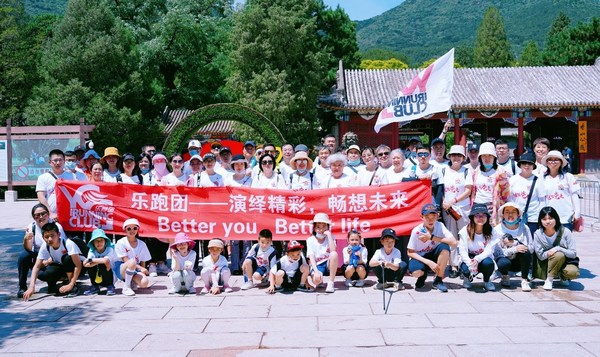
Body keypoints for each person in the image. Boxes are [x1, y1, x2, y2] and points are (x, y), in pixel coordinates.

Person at [22, 222, 83, 301]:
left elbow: (78, 265)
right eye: (46, 237)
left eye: (52, 235)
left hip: (79, 268)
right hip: (63, 267)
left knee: (66, 258)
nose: (49, 239)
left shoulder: (68, 243)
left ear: (59, 234)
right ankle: (55, 284)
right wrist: (31, 287)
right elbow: (36, 266)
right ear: (43, 237)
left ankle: (73, 285)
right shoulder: (45, 245)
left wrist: (71, 284)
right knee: (42, 273)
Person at [17, 203, 67, 298]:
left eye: (43, 214)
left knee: (49, 272)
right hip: (40, 258)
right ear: (34, 218)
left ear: (48, 214)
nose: (41, 217)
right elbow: (28, 249)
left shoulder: (56, 227)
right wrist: (26, 239)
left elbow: (62, 249)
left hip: (55, 260)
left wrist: (47, 261)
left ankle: (52, 284)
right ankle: (22, 287)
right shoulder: (32, 227)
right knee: (24, 256)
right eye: (37, 215)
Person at [407, 204, 457, 292]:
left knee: (444, 248)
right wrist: (428, 262)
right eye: (427, 217)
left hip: (434, 255)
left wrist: (432, 237)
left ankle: (438, 280)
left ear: (437, 216)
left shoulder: (440, 225)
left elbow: (454, 242)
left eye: (433, 216)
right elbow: (410, 252)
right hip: (420, 258)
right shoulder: (416, 230)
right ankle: (422, 276)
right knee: (416, 273)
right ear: (421, 217)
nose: (430, 220)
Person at [440, 145, 473, 278]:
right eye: (454, 155)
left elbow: (468, 190)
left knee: (464, 236)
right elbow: (440, 189)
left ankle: (465, 264)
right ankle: (453, 265)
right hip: (447, 209)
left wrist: (453, 200)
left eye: (459, 156)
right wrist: (444, 202)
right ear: (450, 156)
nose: (456, 158)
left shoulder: (467, 171)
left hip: (463, 208)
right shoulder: (443, 170)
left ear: (463, 158)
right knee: (451, 236)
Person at [533, 206, 579, 290]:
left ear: (556, 218)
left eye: (550, 218)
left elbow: (573, 254)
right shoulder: (538, 234)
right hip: (545, 264)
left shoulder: (566, 232)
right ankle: (549, 280)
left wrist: (558, 248)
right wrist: (549, 252)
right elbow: (540, 256)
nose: (547, 221)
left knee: (573, 272)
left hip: (564, 262)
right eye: (544, 219)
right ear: (540, 221)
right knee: (558, 255)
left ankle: (562, 276)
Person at [493, 203, 533, 291]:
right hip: (505, 260)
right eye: (507, 212)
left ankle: (524, 280)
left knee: (525, 252)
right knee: (503, 262)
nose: (510, 214)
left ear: (518, 214)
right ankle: (505, 276)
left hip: (519, 261)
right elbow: (496, 253)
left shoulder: (524, 228)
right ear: (502, 214)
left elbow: (531, 247)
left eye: (513, 212)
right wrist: (514, 249)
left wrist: (519, 245)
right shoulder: (497, 229)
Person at [458, 203, 498, 291]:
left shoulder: (492, 231)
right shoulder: (465, 231)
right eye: (477, 215)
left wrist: (477, 259)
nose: (480, 218)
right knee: (466, 269)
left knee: (489, 263)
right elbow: (462, 251)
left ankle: (487, 280)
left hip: (483, 258)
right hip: (469, 258)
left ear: (487, 217)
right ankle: (467, 278)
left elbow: (489, 250)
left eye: (483, 215)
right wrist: (470, 263)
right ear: (472, 217)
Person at [470, 142, 510, 225]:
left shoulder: (501, 172)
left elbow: (505, 192)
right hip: (477, 205)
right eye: (484, 155)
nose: (486, 158)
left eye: (489, 155)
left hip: (493, 206)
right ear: (480, 157)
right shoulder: (476, 171)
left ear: (494, 157)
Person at [541, 150, 581, 231]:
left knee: (565, 242)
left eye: (556, 159)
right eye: (550, 159)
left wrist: (577, 213)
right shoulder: (542, 178)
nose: (553, 162)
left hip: (565, 217)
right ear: (547, 162)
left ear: (561, 162)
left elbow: (574, 195)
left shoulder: (568, 177)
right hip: (548, 218)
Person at [508, 151, 546, 234]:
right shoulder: (512, 180)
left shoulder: (538, 181)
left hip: (533, 218)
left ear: (533, 166)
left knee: (531, 243)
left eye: (530, 164)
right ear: (520, 165)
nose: (527, 165)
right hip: (515, 217)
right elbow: (509, 199)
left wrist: (541, 217)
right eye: (524, 163)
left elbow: (542, 201)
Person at [114, 218, 151, 296]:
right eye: (129, 229)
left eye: (135, 228)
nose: (132, 231)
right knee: (132, 262)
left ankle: (132, 281)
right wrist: (140, 268)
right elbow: (125, 260)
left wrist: (141, 271)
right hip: (122, 269)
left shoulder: (142, 244)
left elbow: (143, 261)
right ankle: (126, 287)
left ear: (138, 229)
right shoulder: (121, 242)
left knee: (144, 283)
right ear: (125, 230)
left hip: (135, 269)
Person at [36, 149, 76, 218]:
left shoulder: (72, 176)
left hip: (68, 215)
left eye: (60, 160)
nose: (58, 163)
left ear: (64, 161)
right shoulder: (42, 177)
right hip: (50, 216)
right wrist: (50, 213)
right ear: (49, 162)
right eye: (55, 160)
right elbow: (41, 197)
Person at [306, 213, 338, 293]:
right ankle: (320, 281)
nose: (321, 229)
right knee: (317, 280)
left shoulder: (331, 237)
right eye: (318, 227)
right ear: (314, 228)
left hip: (328, 263)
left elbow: (333, 250)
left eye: (324, 227)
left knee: (334, 254)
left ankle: (331, 283)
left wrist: (329, 236)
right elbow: (311, 257)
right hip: (318, 265)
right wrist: (316, 271)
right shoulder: (310, 240)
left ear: (328, 227)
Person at [83, 228, 118, 296]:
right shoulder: (92, 250)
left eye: (101, 240)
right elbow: (85, 264)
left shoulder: (109, 249)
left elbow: (106, 260)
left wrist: (91, 260)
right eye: (96, 241)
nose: (99, 243)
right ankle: (95, 286)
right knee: (93, 265)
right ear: (93, 243)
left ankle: (110, 286)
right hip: (98, 277)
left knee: (102, 264)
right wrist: (96, 262)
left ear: (105, 241)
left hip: (110, 276)